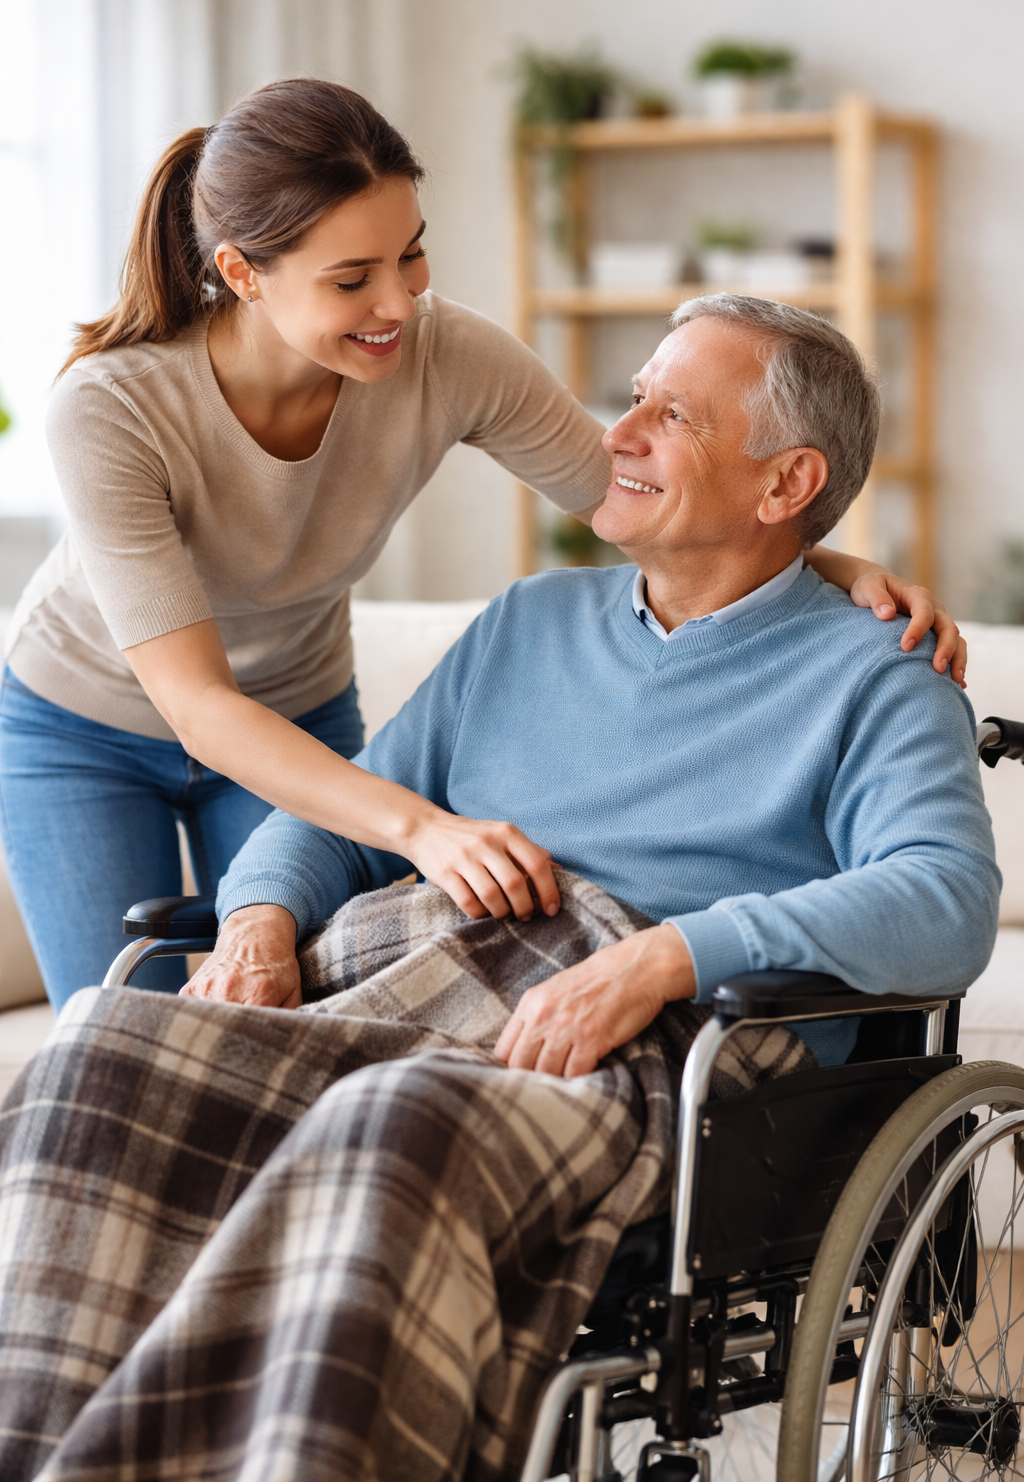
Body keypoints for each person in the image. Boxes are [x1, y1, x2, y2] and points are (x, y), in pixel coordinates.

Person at [0, 297, 997, 1482]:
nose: (614, 433)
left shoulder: (878, 677)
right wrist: (260, 916)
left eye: (669, 413)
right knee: (100, 1048)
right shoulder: (529, 620)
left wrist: (662, 956)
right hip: (422, 975)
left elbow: (943, 899)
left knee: (394, 1125)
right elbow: (350, 814)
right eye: (631, 394)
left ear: (784, 486)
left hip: (647, 1045)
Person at [0, 78, 963, 1011]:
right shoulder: (111, 408)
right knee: (122, 1025)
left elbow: (631, 484)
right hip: (88, 723)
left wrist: (821, 561)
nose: (398, 304)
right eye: (351, 279)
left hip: (297, 703)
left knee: (278, 991)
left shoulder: (444, 353)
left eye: (410, 256)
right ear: (244, 273)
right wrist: (427, 829)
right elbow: (202, 707)